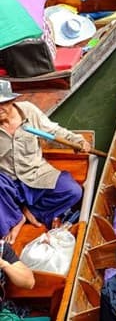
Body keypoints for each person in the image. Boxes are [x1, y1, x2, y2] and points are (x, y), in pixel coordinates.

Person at [0, 80, 89, 244]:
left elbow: (53, 131)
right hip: (8, 182)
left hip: (36, 173)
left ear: (11, 100)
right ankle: (15, 218)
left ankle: (29, 212)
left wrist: (76, 140)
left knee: (73, 191)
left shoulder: (28, 111)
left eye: (2, 103)